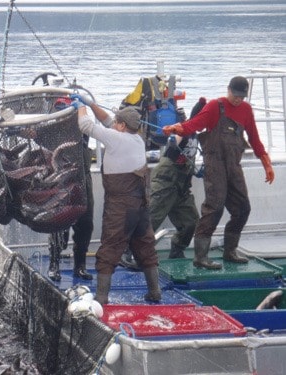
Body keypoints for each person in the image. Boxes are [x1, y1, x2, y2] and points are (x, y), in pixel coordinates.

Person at [163, 76, 275, 269]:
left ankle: (230, 251)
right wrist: (176, 128)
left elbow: (254, 138)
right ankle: (200, 257)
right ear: (228, 90)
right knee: (215, 207)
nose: (238, 99)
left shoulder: (246, 110)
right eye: (235, 95)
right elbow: (194, 124)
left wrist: (266, 163)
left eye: (242, 96)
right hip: (214, 164)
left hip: (234, 166)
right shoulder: (216, 106)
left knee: (242, 208)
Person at [72, 95, 161, 304]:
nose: (114, 124)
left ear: (122, 126)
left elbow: (85, 125)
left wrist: (81, 107)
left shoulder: (116, 138)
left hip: (121, 207)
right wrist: (92, 104)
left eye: (117, 123)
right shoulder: (136, 139)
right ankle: (155, 292)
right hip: (140, 206)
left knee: (110, 248)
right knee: (145, 246)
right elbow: (107, 122)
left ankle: (102, 298)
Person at [148, 98, 206, 259]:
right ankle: (132, 252)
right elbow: (176, 138)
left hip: (181, 187)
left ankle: (177, 249)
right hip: (166, 182)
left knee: (191, 222)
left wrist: (197, 171)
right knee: (152, 218)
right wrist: (173, 138)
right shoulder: (184, 130)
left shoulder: (197, 137)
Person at [47, 137, 94, 281]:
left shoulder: (83, 124)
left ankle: (80, 265)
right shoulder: (56, 124)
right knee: (59, 223)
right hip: (62, 181)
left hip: (84, 182)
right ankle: (54, 264)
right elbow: (42, 135)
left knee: (86, 225)